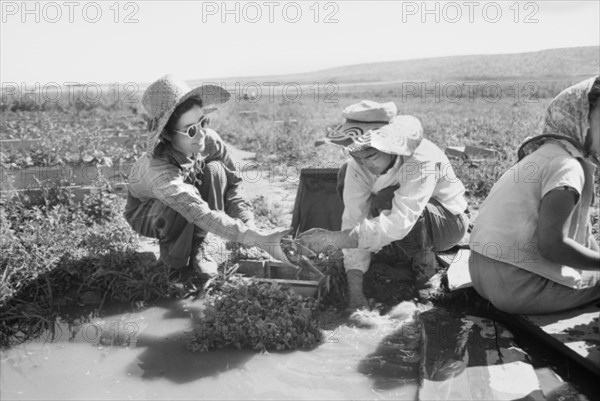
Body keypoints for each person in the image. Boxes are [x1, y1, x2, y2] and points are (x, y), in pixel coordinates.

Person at [297, 100, 470, 310]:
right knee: (345, 173)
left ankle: (426, 272)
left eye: (371, 156)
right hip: (402, 225)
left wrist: (334, 239)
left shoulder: (420, 160)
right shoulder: (357, 167)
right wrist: (356, 292)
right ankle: (399, 256)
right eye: (357, 157)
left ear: (391, 146)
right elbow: (354, 218)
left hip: (447, 222)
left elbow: (402, 221)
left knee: (388, 197)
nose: (365, 165)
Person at [124, 74, 290, 280]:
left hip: (188, 202)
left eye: (203, 121)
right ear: (167, 135)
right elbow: (196, 210)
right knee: (179, 204)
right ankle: (172, 262)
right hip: (149, 213)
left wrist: (250, 226)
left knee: (216, 171)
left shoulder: (210, 141)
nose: (202, 133)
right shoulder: (158, 168)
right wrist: (255, 239)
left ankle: (198, 247)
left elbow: (233, 186)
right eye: (191, 130)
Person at [468, 76, 600, 315]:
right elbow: (551, 246)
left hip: (480, 274)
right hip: (518, 287)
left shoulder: (541, 155)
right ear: (580, 121)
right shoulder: (567, 166)